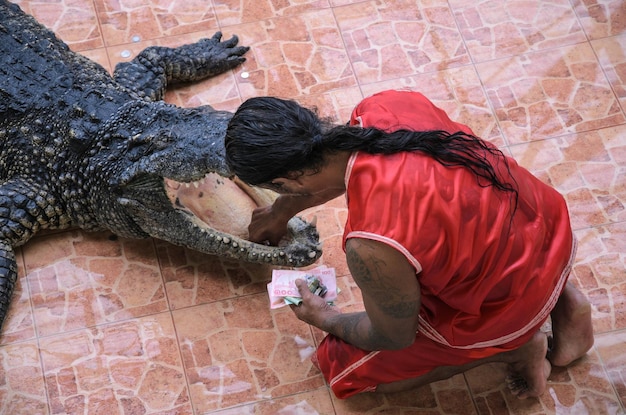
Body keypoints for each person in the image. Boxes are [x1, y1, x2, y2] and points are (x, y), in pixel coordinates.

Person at [224, 90, 594, 400]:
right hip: (547, 231)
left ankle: (516, 347)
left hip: (509, 300)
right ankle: (565, 299)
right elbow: (336, 170)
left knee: (342, 368)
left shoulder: (371, 245)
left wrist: (323, 316)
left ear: (286, 179)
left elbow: (393, 335)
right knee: (473, 229)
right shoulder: (383, 107)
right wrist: (280, 210)